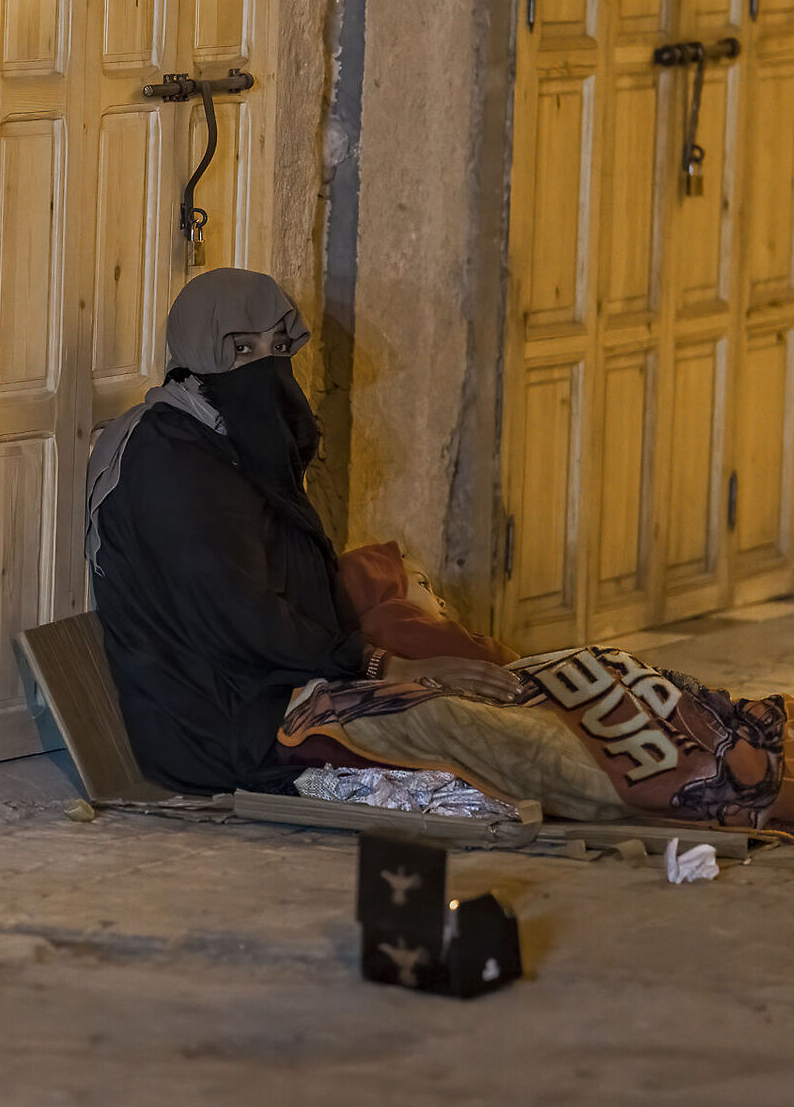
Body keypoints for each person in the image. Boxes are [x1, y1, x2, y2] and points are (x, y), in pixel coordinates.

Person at [85, 268, 520, 796]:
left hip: (280, 684)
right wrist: (380, 665)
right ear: (197, 351)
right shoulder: (169, 459)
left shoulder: (218, 431)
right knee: (478, 739)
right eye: (242, 349)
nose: (267, 366)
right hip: (224, 725)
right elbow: (241, 617)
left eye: (280, 345)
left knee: (494, 684)